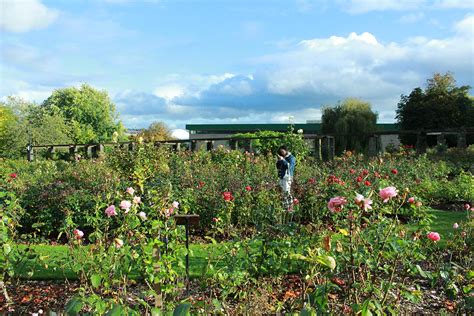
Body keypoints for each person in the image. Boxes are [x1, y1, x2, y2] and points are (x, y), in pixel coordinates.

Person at [276, 146, 296, 210]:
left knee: (287, 192)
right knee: (282, 192)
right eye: (280, 152)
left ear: (286, 150)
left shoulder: (291, 158)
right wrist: (279, 160)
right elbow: (278, 167)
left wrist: (282, 160)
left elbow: (289, 166)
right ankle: (284, 207)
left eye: (282, 151)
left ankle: (289, 207)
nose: (282, 153)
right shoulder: (283, 157)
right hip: (282, 177)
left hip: (287, 177)